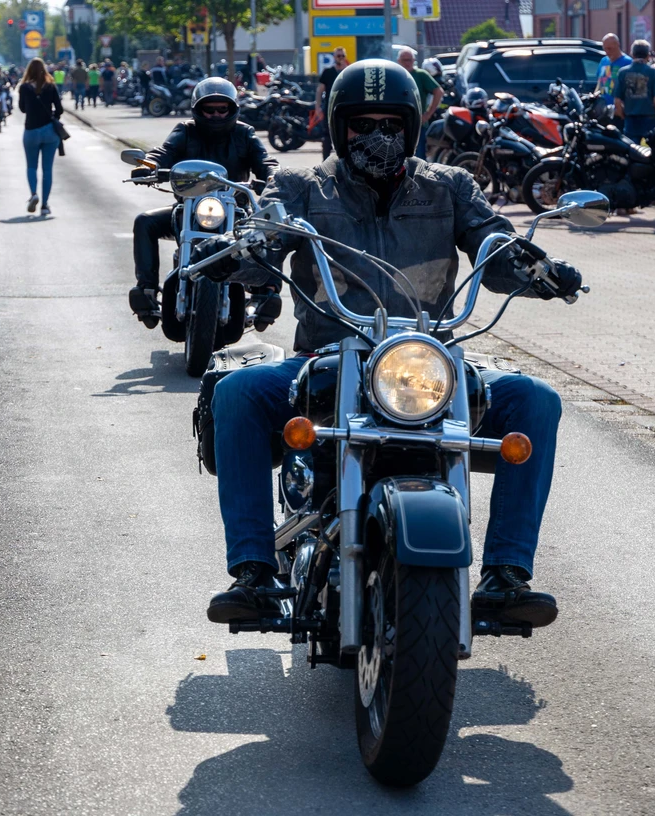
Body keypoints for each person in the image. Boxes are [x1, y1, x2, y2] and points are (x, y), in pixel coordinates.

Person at [199, 59, 581, 629]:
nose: (376, 135)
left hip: (428, 364)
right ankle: (253, 570)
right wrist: (245, 252)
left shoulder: (450, 187)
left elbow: (491, 241)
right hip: (327, 357)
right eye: (360, 123)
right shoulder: (301, 187)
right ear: (337, 126)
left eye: (389, 123)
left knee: (536, 400)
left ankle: (505, 573)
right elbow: (267, 237)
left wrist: (530, 263)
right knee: (237, 393)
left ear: (410, 127)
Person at [128, 77, 280, 327]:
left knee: (272, 225)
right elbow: (163, 152)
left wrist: (274, 176)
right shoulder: (185, 130)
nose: (217, 115)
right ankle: (146, 290)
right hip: (188, 209)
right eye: (210, 110)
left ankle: (266, 293)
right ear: (198, 110)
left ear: (232, 109)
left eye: (223, 109)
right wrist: (150, 165)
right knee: (144, 222)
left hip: (236, 211)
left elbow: (265, 160)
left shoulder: (244, 132)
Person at [18, 57, 63, 217]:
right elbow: (60, 109)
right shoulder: (50, 86)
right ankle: (44, 205)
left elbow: (22, 109)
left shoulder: (24, 87)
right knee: (47, 169)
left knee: (31, 166)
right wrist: (52, 117)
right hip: (49, 131)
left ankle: (33, 194)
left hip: (31, 130)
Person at [396, 47, 443, 158]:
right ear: (398, 61)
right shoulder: (395, 75)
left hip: (417, 123)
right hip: (397, 124)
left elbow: (438, 92)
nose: (407, 63)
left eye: (410, 60)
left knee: (418, 157)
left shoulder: (421, 75)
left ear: (414, 61)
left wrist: (427, 114)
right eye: (404, 60)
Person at [616, 39, 655, 143]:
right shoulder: (654, 73)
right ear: (648, 55)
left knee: (631, 151)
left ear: (632, 54)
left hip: (631, 119)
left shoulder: (622, 72)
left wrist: (623, 116)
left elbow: (617, 101)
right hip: (651, 119)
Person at [315, 47, 349, 159]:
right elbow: (320, 90)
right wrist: (318, 107)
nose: (340, 58)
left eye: (342, 56)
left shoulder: (348, 72)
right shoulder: (328, 72)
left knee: (346, 135)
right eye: (338, 56)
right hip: (330, 108)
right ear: (334, 57)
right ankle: (325, 163)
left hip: (345, 108)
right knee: (327, 137)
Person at [595, 33, 632, 128]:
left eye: (610, 49)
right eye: (605, 49)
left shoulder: (627, 62)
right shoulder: (603, 61)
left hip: (619, 113)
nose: (607, 52)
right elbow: (600, 82)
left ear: (617, 45)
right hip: (603, 112)